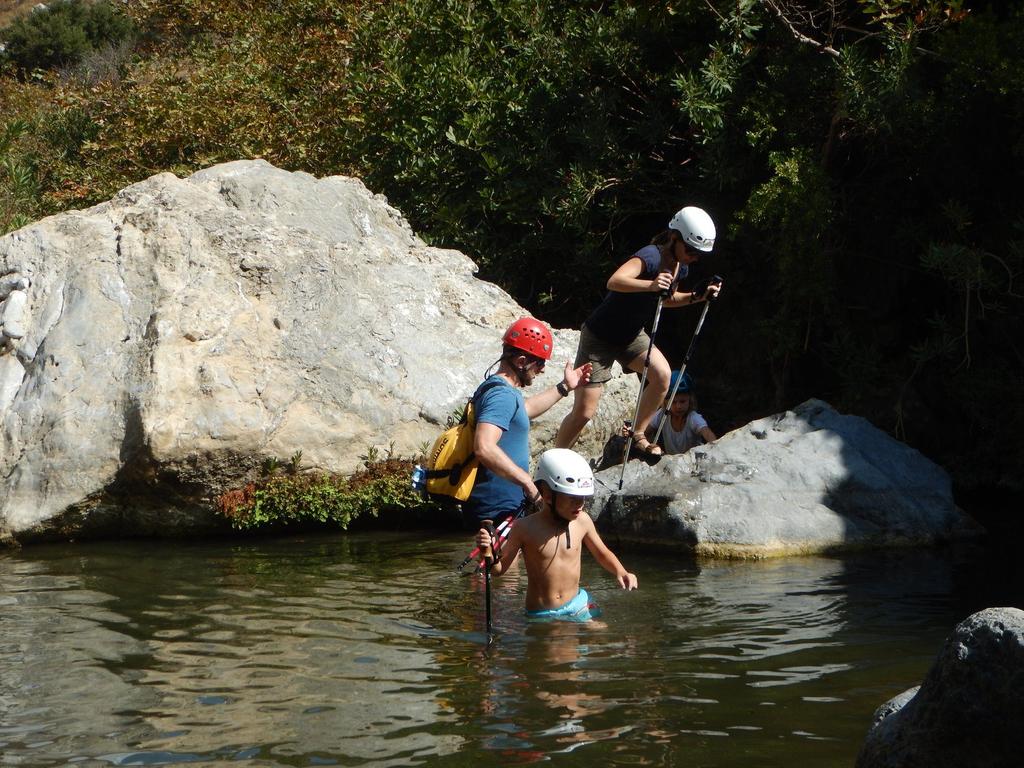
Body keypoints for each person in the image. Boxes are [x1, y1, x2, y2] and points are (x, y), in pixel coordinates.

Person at [554, 206, 722, 456]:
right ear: (674, 238)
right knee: (584, 412)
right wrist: (651, 284)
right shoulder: (651, 257)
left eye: (698, 254)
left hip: (631, 335)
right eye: (690, 250)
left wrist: (697, 297)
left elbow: (664, 299)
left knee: (663, 376)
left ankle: (638, 434)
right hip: (600, 337)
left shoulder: (680, 267)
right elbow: (615, 281)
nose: (693, 257)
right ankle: (553, 459)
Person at [475, 448, 638, 621]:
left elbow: (602, 553)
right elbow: (498, 570)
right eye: (572, 498)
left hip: (577, 603)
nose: (580, 504)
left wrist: (621, 571)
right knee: (555, 647)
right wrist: (488, 551)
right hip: (542, 612)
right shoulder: (524, 528)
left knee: (603, 638)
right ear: (546, 493)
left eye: (582, 498)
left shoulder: (582, 521)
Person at [466, 317, 592, 528]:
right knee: (504, 562)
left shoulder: (501, 391)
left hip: (500, 507)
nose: (542, 370)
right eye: (540, 363)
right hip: (496, 509)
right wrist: (528, 483)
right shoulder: (502, 396)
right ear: (522, 361)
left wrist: (565, 387)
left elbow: (526, 410)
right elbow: (484, 447)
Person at [647, 371, 717, 455]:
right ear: (665, 402)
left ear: (690, 400)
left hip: (693, 461)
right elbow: (646, 430)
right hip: (672, 461)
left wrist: (715, 449)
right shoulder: (662, 414)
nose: (678, 406)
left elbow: (708, 434)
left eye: (682, 401)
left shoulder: (693, 418)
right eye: (673, 402)